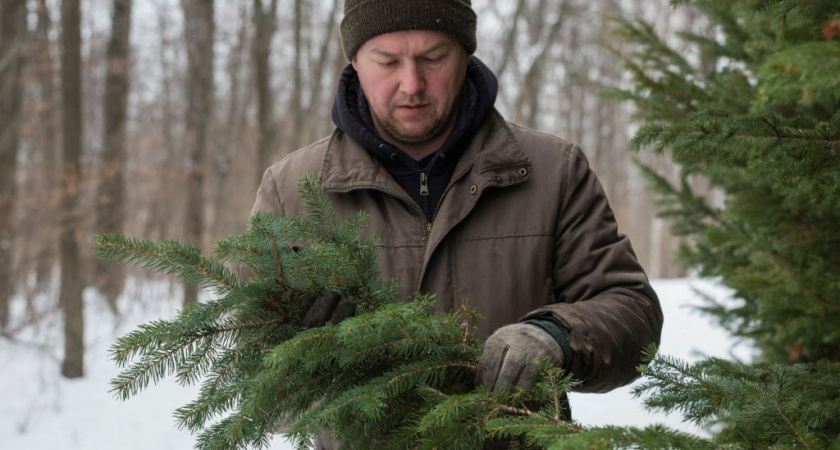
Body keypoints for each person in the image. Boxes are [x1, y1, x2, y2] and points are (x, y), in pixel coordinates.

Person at [251, 0, 663, 447]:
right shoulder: (291, 189)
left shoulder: (553, 172)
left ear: (466, 54)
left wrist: (556, 337)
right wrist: (298, 345)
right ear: (354, 61)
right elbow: (249, 369)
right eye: (387, 61)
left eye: (433, 58)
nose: (412, 84)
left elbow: (630, 310)